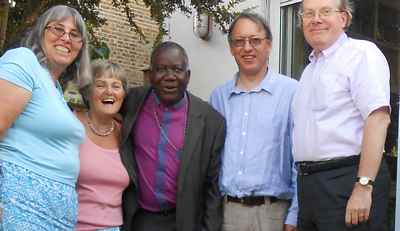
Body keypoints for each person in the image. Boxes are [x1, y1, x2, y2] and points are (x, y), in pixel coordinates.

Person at [292, 0, 391, 230]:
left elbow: (378, 119)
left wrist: (364, 185)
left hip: (347, 181)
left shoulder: (360, 54)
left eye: (325, 11)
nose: (316, 19)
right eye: (308, 14)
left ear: (344, 18)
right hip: (310, 185)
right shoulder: (308, 71)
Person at [0, 5, 90, 230]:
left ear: (81, 46)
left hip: (57, 216)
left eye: (75, 34)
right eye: (58, 29)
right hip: (18, 205)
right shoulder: (23, 60)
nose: (66, 38)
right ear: (41, 32)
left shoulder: (56, 88)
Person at [120, 41, 226, 231]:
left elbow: (213, 187)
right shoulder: (131, 103)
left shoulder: (211, 121)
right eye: (161, 69)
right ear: (150, 75)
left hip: (184, 221)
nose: (169, 77)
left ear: (188, 75)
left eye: (177, 69)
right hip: (140, 220)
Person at [209, 12, 298, 231]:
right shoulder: (218, 97)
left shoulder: (292, 92)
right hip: (228, 213)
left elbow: (299, 159)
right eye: (239, 42)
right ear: (231, 48)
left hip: (274, 214)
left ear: (268, 45)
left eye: (255, 41)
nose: (247, 48)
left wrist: (294, 214)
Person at [76, 60, 129, 231]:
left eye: (116, 86)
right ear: (88, 91)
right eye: (100, 85)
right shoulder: (71, 124)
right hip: (70, 224)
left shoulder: (126, 134)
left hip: (113, 227)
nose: (109, 92)